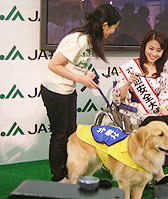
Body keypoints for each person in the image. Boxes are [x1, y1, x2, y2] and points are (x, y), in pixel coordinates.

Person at [40, 4, 121, 183]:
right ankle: (58, 177)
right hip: (55, 91)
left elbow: (73, 65)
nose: (114, 32)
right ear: (105, 25)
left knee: (70, 133)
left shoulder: (90, 40)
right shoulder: (78, 39)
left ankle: (70, 173)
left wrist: (86, 76)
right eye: (114, 27)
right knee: (60, 135)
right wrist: (81, 78)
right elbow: (53, 65)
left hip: (67, 91)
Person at [112, 30, 168, 184]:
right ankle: (159, 174)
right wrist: (128, 83)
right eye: (151, 48)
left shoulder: (163, 69)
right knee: (155, 125)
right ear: (144, 47)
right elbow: (118, 96)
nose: (154, 53)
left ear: (163, 52)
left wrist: (164, 107)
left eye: (159, 50)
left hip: (156, 110)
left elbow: (165, 92)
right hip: (136, 112)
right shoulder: (131, 68)